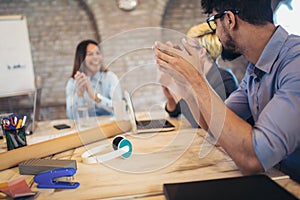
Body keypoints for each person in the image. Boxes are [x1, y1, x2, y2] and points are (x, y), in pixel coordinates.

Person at [153, 0, 300, 181]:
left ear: (229, 20)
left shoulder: (295, 62)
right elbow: (213, 125)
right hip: (278, 179)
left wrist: (196, 79)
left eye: (215, 22)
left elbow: (253, 159)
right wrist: (185, 84)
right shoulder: (255, 68)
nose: (216, 32)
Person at [162, 22, 238, 128]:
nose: (184, 52)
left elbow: (205, 124)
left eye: (188, 48)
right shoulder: (196, 77)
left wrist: (176, 89)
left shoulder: (224, 79)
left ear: (202, 52)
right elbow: (176, 112)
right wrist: (171, 98)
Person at [66, 39, 122, 120]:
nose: (96, 57)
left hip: (110, 127)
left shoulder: (110, 78)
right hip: (85, 129)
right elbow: (71, 117)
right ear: (81, 58)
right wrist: (79, 94)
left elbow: (119, 109)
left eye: (98, 53)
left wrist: (95, 97)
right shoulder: (72, 83)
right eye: (90, 54)